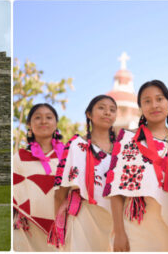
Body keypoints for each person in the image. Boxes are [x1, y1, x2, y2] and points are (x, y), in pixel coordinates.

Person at [107, 80, 168, 252]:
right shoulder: (127, 140)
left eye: (159, 99)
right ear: (140, 107)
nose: (154, 105)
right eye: (147, 101)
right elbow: (115, 191)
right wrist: (119, 233)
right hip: (139, 225)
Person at [49, 95, 117, 250]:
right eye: (101, 108)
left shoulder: (122, 151)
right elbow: (60, 192)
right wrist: (60, 225)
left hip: (116, 221)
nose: (107, 112)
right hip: (83, 217)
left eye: (112, 110)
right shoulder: (76, 145)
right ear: (89, 114)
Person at [12, 103, 65, 251]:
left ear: (56, 123)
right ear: (29, 124)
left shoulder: (67, 156)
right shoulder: (19, 157)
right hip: (26, 231)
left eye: (49, 117)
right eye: (37, 117)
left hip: (64, 227)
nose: (43, 121)